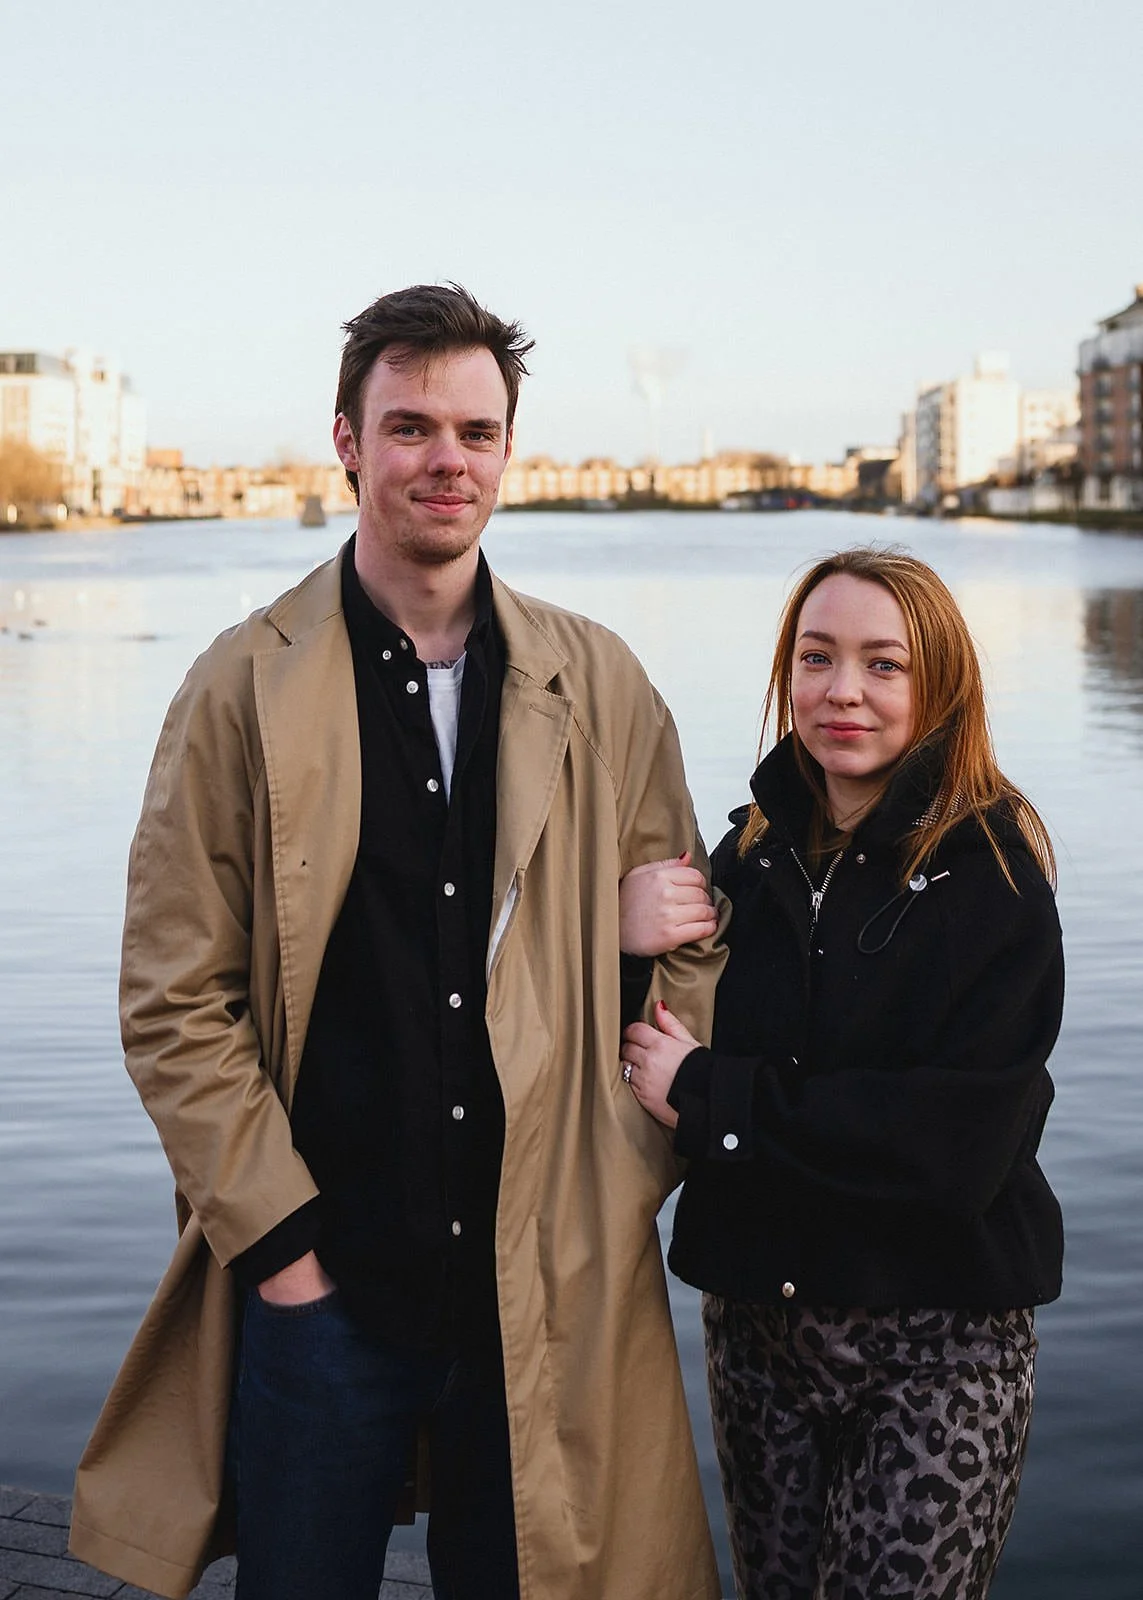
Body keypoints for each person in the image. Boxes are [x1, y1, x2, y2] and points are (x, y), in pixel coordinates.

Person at [68, 283, 726, 1600]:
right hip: (324, 1284)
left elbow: (690, 950)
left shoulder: (595, 684)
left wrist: (618, 1170)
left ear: (504, 454)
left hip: (533, 1280)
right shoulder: (237, 686)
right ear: (347, 443)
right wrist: (282, 1253)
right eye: (411, 426)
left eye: (475, 433)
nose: (446, 460)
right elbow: (172, 1001)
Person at [619, 547, 1064, 1600]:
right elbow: (639, 1041)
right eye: (816, 658)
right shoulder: (746, 859)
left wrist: (716, 1098)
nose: (843, 691)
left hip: (936, 1347)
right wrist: (627, 940)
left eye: (884, 665)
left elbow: (951, 1147)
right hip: (762, 1339)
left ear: (941, 685)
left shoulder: (992, 879)